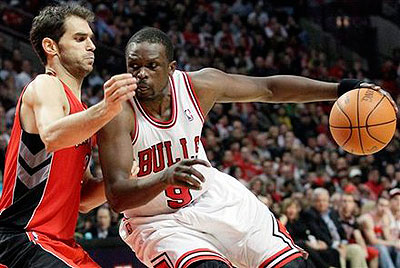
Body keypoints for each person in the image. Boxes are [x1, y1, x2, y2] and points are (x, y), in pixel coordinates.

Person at [97, 27, 397, 268]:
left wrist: (342, 89)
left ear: (171, 68)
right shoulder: (118, 112)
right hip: (157, 221)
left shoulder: (198, 86)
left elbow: (269, 88)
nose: (141, 75)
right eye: (134, 66)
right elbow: (118, 197)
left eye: (152, 66)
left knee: (292, 264)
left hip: (213, 198)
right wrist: (164, 177)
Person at [0, 3, 136, 268]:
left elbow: (83, 200)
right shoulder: (46, 86)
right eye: (80, 38)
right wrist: (106, 108)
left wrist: (127, 175)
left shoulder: (82, 115)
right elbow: (52, 135)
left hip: (59, 244)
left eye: (91, 39)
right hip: (23, 239)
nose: (92, 46)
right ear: (51, 47)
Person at [302, 188, 368, 268]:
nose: (321, 203)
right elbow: (318, 233)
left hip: (341, 244)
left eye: (324, 200)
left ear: (328, 201)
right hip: (329, 246)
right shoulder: (310, 214)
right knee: (338, 254)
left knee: (357, 249)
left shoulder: (332, 212)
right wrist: (336, 245)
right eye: (318, 201)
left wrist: (343, 243)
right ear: (314, 202)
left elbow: (340, 229)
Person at [359, 196, 400, 268]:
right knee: (382, 248)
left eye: (386, 206)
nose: (383, 208)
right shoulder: (368, 219)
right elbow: (372, 241)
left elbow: (387, 237)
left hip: (381, 244)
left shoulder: (385, 217)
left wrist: (396, 243)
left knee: (397, 248)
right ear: (376, 205)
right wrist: (393, 243)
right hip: (367, 245)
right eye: (381, 205)